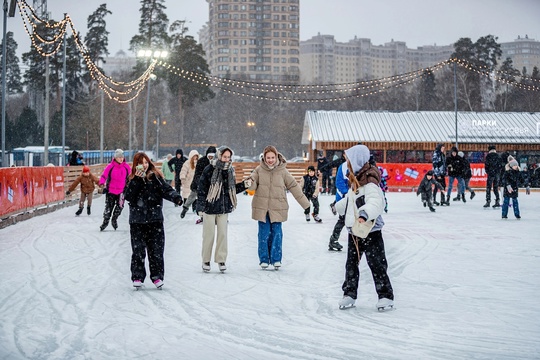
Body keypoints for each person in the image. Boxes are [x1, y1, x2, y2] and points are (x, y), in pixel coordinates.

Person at [335, 144, 394, 311]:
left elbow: (376, 202)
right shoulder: (355, 181)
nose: (346, 165)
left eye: (349, 162)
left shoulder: (370, 182)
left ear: (357, 162)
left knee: (376, 263)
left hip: (371, 229)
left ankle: (385, 296)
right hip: (355, 230)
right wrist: (337, 207)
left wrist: (365, 214)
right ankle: (349, 294)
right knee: (351, 264)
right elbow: (350, 200)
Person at [123, 152, 183, 289]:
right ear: (136, 165)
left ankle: (157, 277)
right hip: (137, 221)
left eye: (145, 162)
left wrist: (176, 197)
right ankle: (137, 276)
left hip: (154, 219)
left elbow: (166, 190)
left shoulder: (155, 177)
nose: (143, 166)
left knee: (156, 250)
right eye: (140, 163)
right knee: (138, 251)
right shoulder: (131, 179)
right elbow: (128, 196)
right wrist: (136, 181)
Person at [248, 145, 310, 270]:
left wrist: (306, 204)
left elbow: (294, 187)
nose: (270, 160)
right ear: (264, 158)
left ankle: (276, 259)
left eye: (272, 157)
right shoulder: (259, 170)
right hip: (263, 208)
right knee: (263, 234)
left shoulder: (283, 171)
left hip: (278, 208)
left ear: (276, 157)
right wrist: (250, 183)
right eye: (268, 158)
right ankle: (264, 259)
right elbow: (251, 187)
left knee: (277, 233)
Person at [196, 146, 249, 272]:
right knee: (209, 235)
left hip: (223, 208)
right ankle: (206, 260)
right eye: (224, 156)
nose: (226, 159)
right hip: (209, 207)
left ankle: (221, 259)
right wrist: (201, 207)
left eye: (228, 157)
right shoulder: (209, 169)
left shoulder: (230, 171)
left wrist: (245, 185)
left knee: (222, 235)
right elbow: (202, 189)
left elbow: (231, 190)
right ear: (219, 156)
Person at [98, 149, 132, 231]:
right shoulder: (110, 166)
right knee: (108, 207)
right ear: (115, 158)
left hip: (122, 192)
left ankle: (114, 219)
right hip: (111, 191)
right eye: (119, 157)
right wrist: (102, 183)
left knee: (120, 207)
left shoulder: (126, 167)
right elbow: (104, 175)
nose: (121, 159)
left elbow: (131, 177)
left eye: (122, 157)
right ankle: (105, 222)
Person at [183, 145, 217, 223]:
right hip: (202, 183)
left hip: (213, 185)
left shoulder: (217, 162)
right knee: (199, 198)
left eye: (212, 156)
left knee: (214, 200)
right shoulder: (202, 161)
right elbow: (197, 173)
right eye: (209, 156)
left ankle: (217, 217)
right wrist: (199, 183)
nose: (211, 158)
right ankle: (199, 214)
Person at [328, 158, 348, 251]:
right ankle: (333, 240)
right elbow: (339, 182)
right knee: (342, 220)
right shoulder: (343, 167)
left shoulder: (359, 165)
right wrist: (347, 192)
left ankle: (360, 240)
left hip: (355, 198)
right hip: (343, 198)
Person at [179, 150, 200, 218]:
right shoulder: (187, 163)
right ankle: (185, 208)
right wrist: (183, 177)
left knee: (194, 197)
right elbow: (183, 171)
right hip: (188, 182)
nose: (195, 158)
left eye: (196, 156)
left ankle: (194, 208)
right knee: (187, 196)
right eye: (194, 156)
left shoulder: (199, 163)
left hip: (195, 182)